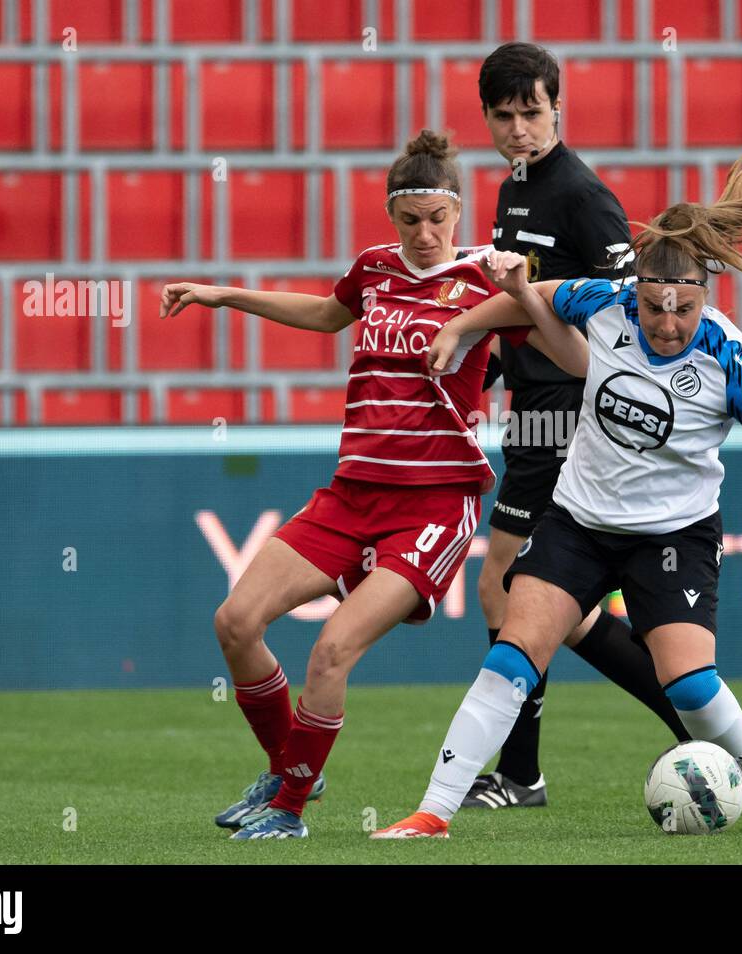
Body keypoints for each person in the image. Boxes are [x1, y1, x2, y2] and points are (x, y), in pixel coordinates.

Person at [372, 158, 742, 839]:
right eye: (653, 307)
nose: (667, 325)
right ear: (634, 293)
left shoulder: (726, 359)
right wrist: (462, 327)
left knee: (691, 686)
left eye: (685, 310)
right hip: (578, 522)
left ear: (705, 297)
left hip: (674, 536)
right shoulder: (604, 300)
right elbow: (537, 297)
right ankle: (433, 813)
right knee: (510, 660)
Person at [159, 130, 576, 839]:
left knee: (332, 650)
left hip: (435, 505)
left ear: (458, 212)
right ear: (392, 217)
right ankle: (295, 768)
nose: (423, 233)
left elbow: (562, 332)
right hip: (351, 494)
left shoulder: (487, 276)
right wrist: (222, 295)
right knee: (234, 623)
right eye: (409, 219)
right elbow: (327, 315)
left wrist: (517, 288)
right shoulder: (373, 268)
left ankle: (287, 813)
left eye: (436, 218)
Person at [461, 41, 692, 811]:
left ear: (558, 107)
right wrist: (493, 368)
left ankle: (522, 775)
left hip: (568, 415)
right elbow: (528, 310)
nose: (519, 128)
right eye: (505, 115)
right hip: (533, 407)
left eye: (532, 111)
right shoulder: (512, 191)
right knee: (557, 605)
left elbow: (622, 318)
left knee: (505, 589)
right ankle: (689, 721)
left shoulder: (584, 199)